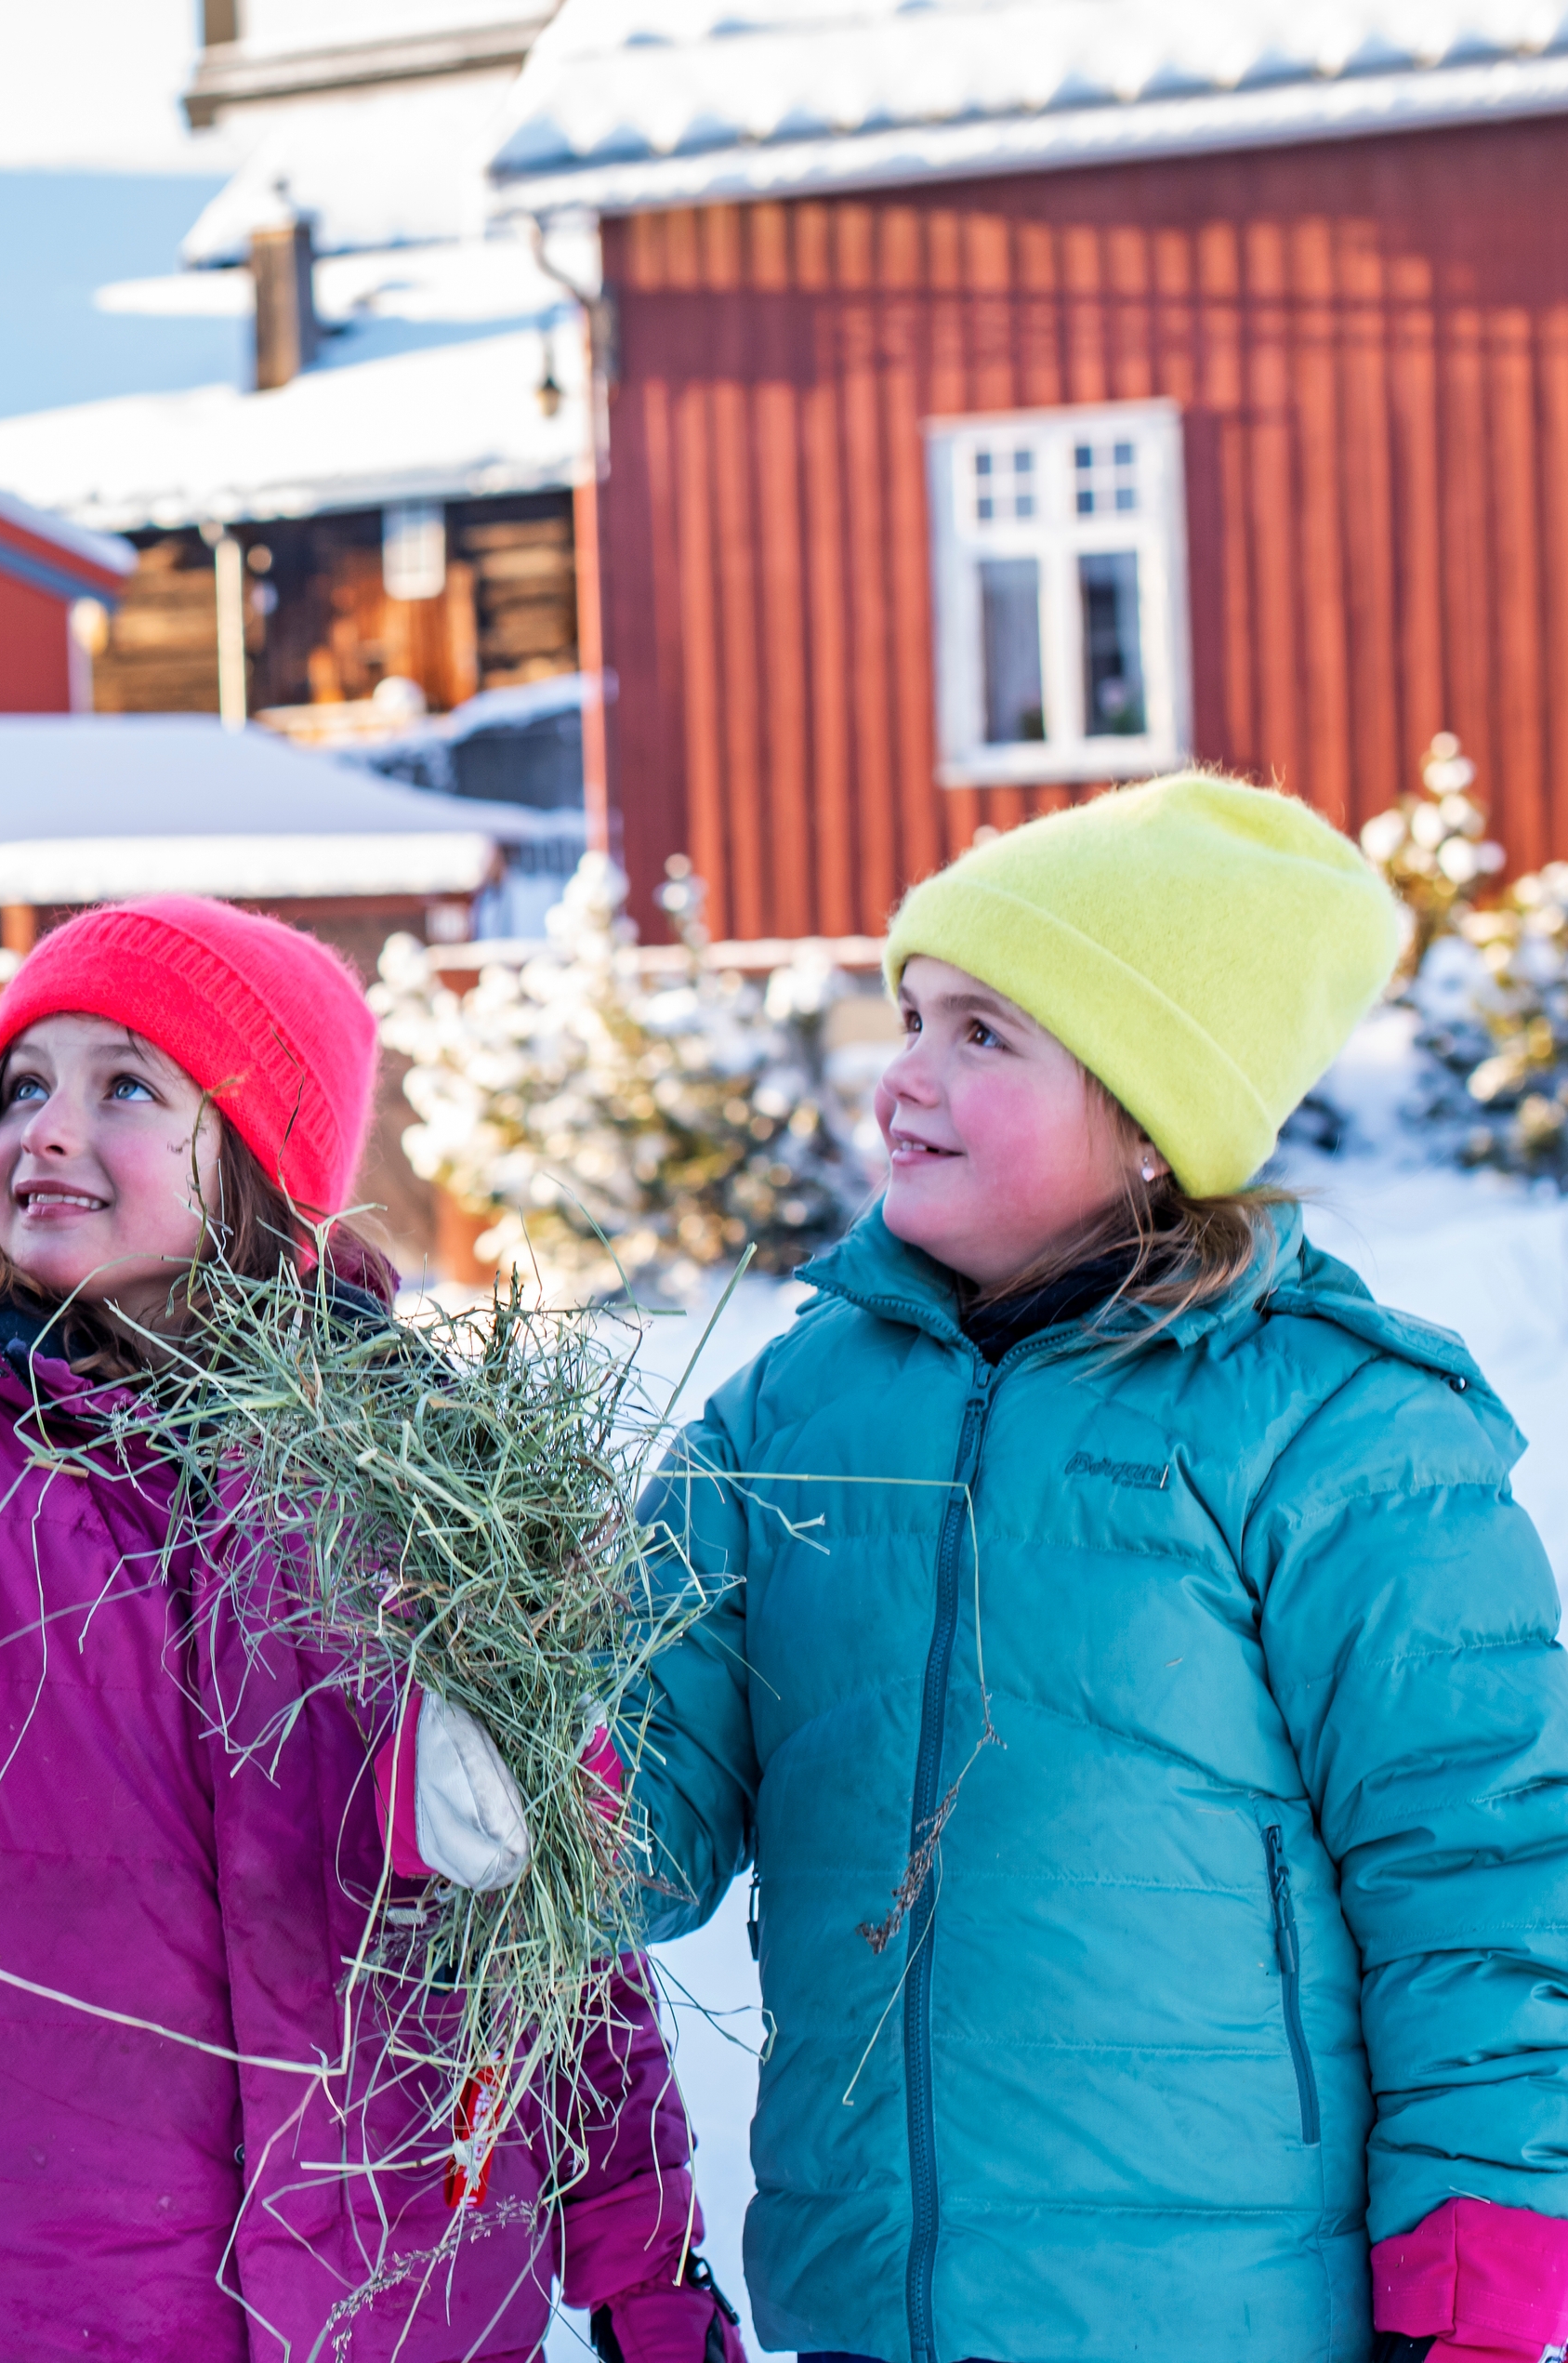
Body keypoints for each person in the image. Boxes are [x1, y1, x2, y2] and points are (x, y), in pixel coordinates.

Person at [0, 895, 744, 2363]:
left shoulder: (436, 1487)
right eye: (21, 1088)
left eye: (126, 1086)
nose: (46, 1129)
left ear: (259, 1165)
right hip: (53, 2312)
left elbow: (558, 1947)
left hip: (415, 2315)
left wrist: (648, 2271)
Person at [625, 774, 1568, 2363]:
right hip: (876, 2305)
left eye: (983, 1034)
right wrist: (508, 1773)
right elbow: (643, 1799)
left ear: (1150, 1119)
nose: (902, 1077)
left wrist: (1476, 2268)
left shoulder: (1337, 1428)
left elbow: (1480, 1867)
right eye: (911, 1013)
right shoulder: (790, 1410)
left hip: (1223, 2318)